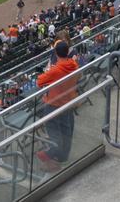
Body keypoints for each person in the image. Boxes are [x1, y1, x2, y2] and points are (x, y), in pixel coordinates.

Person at [36, 41, 79, 171]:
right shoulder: (74, 65)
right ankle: (61, 158)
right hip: (68, 103)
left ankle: (47, 155)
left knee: (55, 136)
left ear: (55, 53)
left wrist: (50, 71)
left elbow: (39, 81)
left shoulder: (55, 70)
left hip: (53, 105)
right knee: (66, 132)